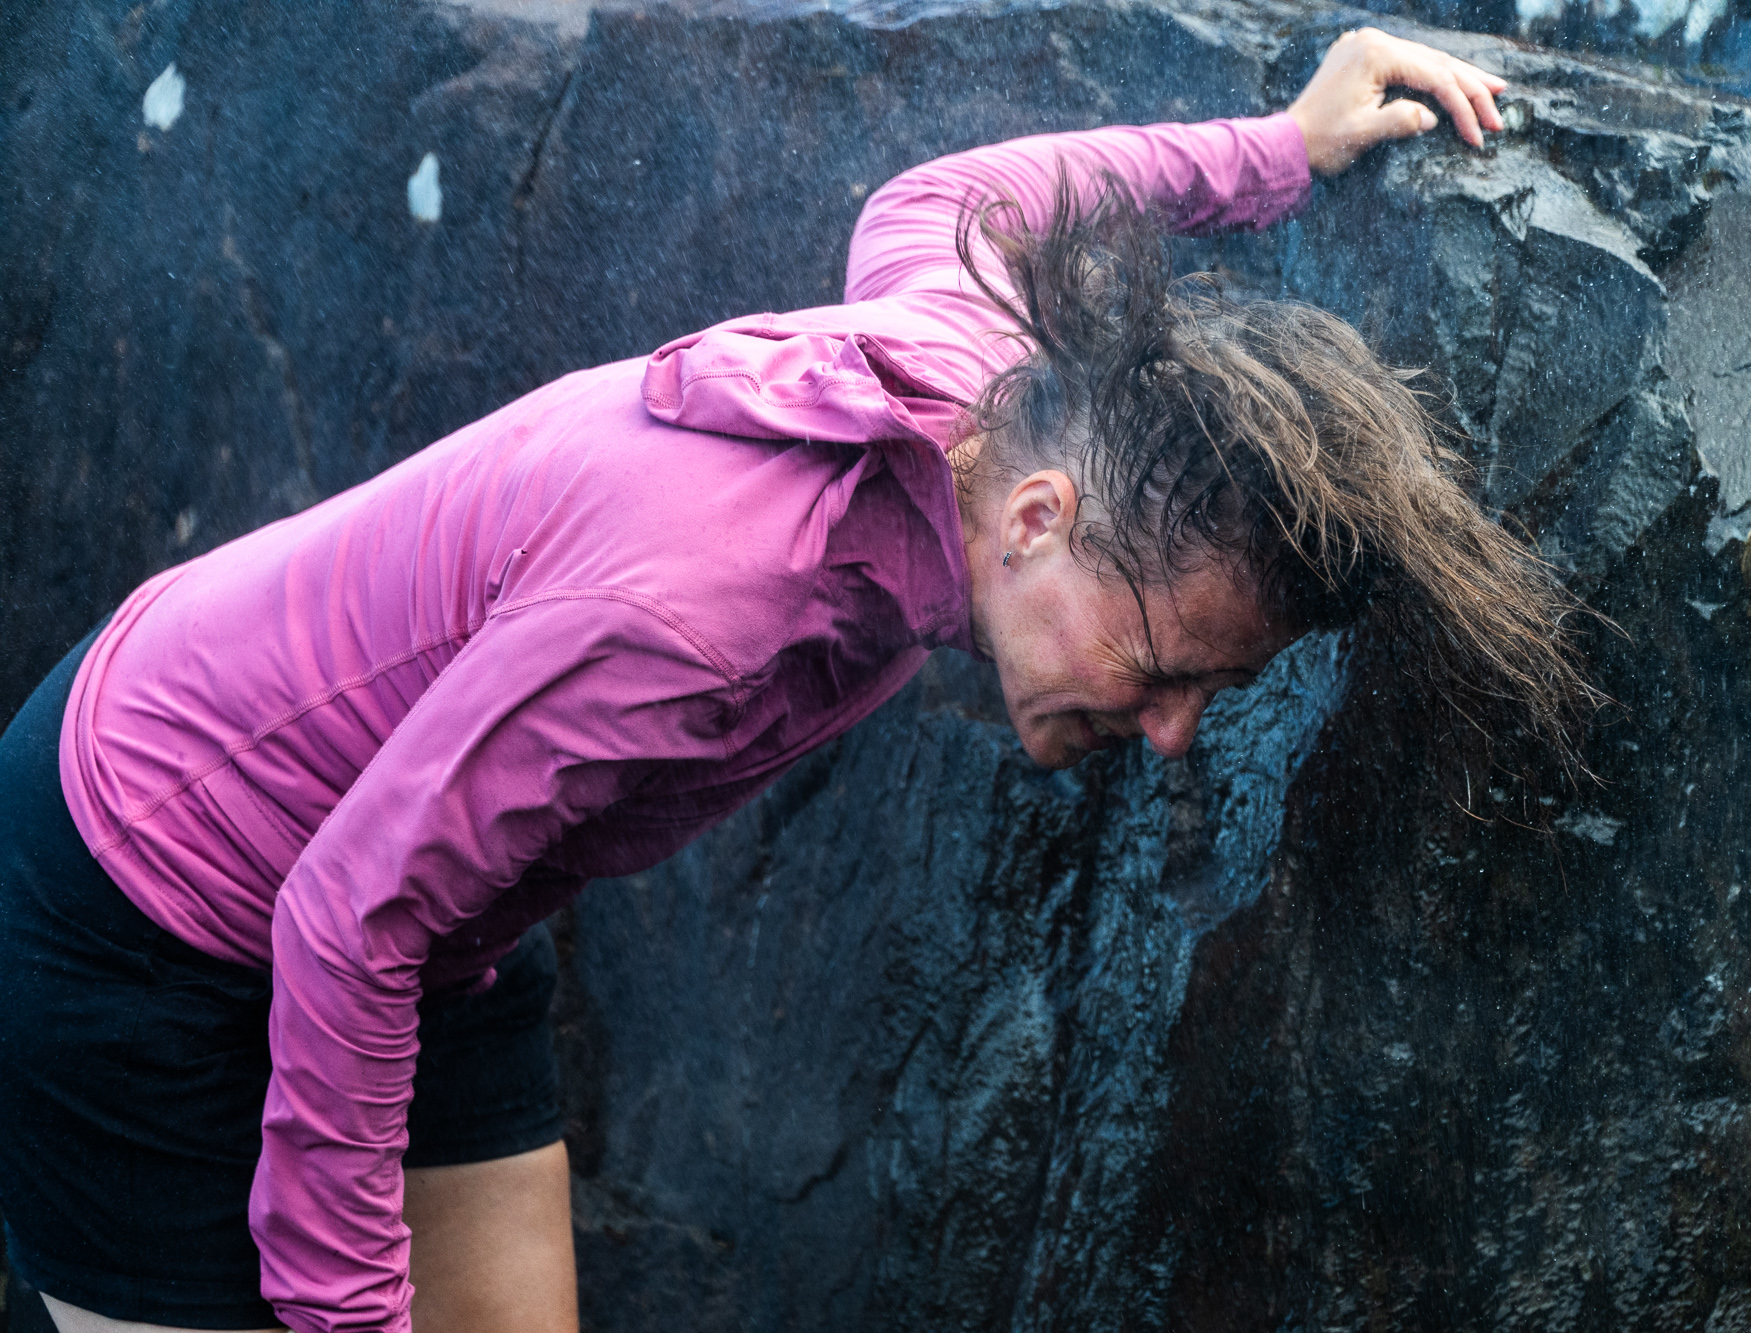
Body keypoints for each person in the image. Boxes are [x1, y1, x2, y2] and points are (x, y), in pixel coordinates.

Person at [0, 27, 1589, 1333]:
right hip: (152, 887)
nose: (1171, 732)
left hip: (433, 911)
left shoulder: (979, 384)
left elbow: (967, 189)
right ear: (1043, 519)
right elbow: (340, 924)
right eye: (1168, 668)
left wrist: (1277, 150)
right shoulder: (702, 611)